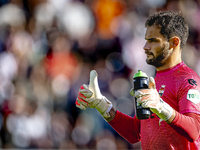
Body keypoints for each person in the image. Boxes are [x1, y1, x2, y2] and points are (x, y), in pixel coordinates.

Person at [76, 11, 200, 149]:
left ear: (174, 43)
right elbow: (135, 132)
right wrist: (103, 106)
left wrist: (161, 107)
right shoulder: (154, 80)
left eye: (153, 41)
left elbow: (194, 130)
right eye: (146, 40)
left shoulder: (187, 79)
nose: (145, 46)